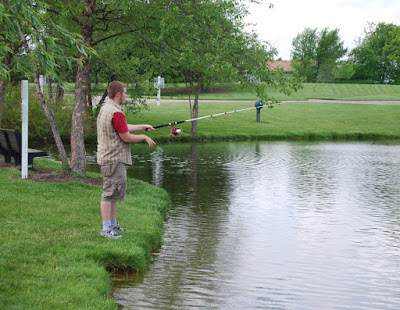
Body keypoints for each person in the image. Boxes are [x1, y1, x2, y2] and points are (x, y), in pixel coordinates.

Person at [97, 81, 156, 239]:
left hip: (111, 157)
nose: (126, 96)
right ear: (118, 94)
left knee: (115, 193)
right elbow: (126, 137)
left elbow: (123, 126)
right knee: (109, 193)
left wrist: (143, 126)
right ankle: (106, 228)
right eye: (125, 93)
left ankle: (113, 224)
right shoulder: (115, 112)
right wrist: (144, 137)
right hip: (112, 158)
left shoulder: (108, 108)